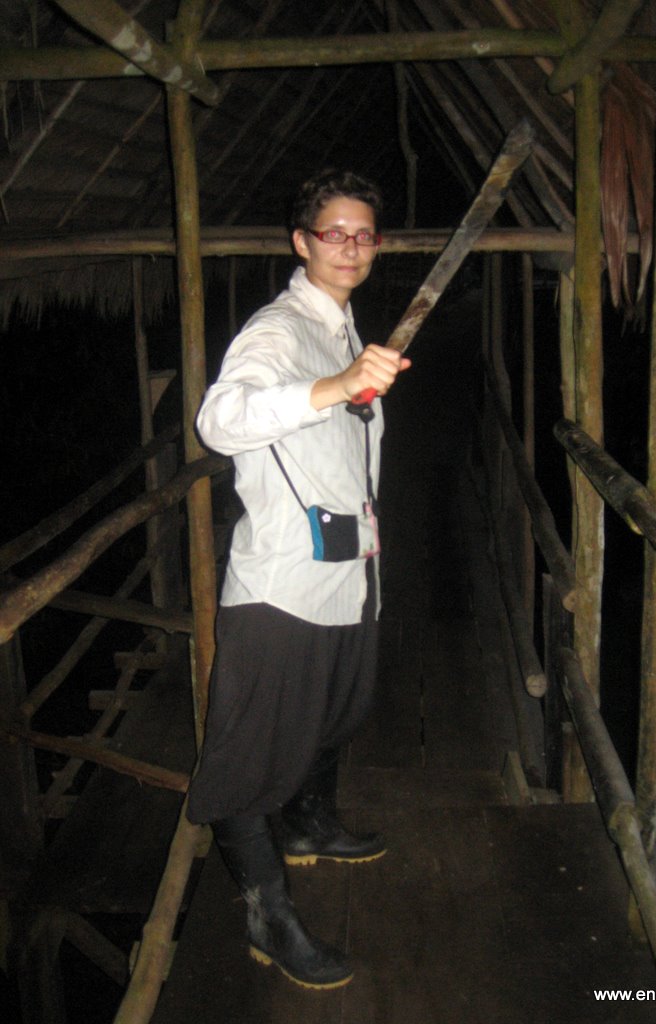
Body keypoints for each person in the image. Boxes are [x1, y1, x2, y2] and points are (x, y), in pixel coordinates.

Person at [186, 170, 410, 990]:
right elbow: (221, 419)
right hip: (281, 591)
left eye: (363, 234)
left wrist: (348, 377)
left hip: (349, 576)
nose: (350, 246)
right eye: (333, 233)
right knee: (246, 765)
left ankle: (311, 823)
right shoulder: (279, 329)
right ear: (302, 243)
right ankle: (268, 918)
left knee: (336, 714)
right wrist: (335, 387)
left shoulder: (344, 328)